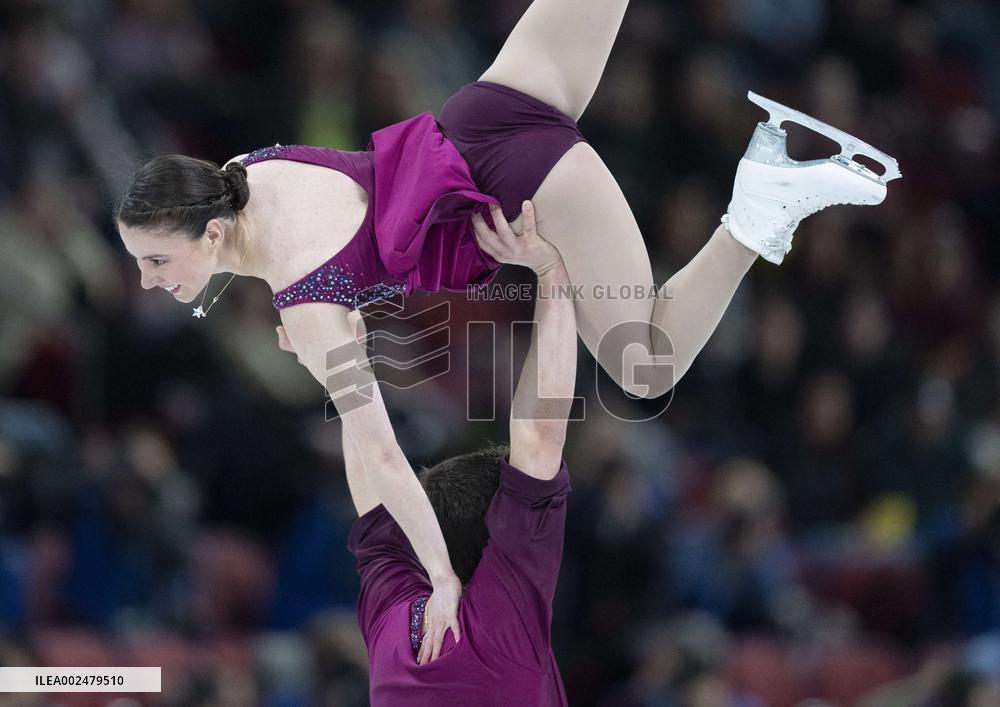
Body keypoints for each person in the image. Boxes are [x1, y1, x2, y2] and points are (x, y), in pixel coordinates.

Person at [115, 0, 898, 660]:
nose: (148, 279)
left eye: (154, 259)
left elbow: (382, 455)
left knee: (646, 366)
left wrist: (442, 576)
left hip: (519, 191)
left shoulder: (301, 300)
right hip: (489, 107)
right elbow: (349, 225)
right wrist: (334, 316)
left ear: (208, 236)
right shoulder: (238, 174)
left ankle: (760, 203)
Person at [340, 207, 577, 704]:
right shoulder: (499, 624)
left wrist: (552, 272)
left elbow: (373, 491)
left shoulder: (395, 624)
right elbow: (371, 491)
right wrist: (345, 357)